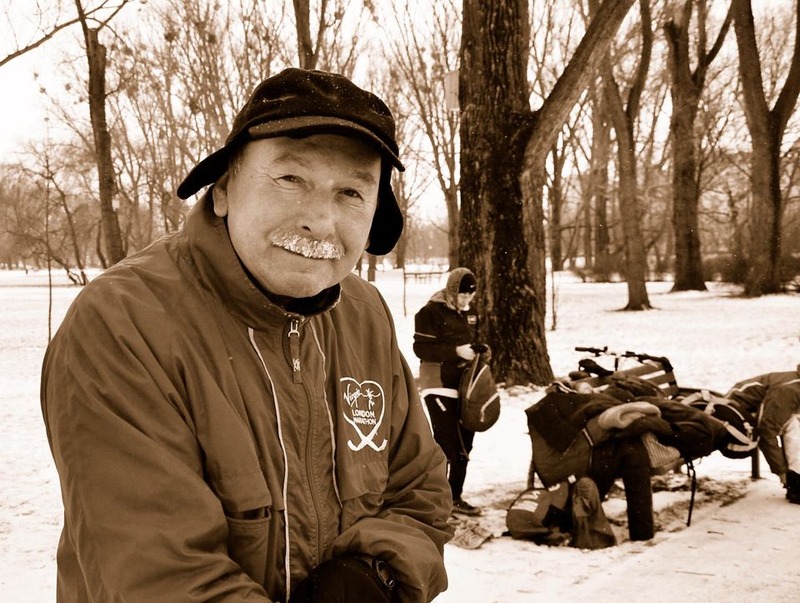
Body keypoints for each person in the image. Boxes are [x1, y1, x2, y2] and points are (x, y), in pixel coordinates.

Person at [41, 68, 453, 602]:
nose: (320, 221)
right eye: (290, 178)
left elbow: (420, 490)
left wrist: (378, 577)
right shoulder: (122, 325)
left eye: (351, 191)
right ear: (223, 190)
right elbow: (159, 578)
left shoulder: (364, 315)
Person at [413, 267, 485, 517]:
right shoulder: (430, 312)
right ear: (452, 290)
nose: (466, 300)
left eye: (470, 296)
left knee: (465, 444)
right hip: (437, 383)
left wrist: (479, 350)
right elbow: (421, 349)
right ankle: (436, 499)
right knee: (447, 444)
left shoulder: (471, 313)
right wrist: (455, 351)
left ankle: (455, 496)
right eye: (462, 295)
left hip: (464, 385)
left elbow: (472, 340)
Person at [724, 367, 800, 503]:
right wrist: (781, 472)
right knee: (794, 428)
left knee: (794, 423)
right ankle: (795, 483)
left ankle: (795, 480)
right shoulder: (790, 390)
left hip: (758, 413)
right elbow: (766, 431)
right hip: (734, 415)